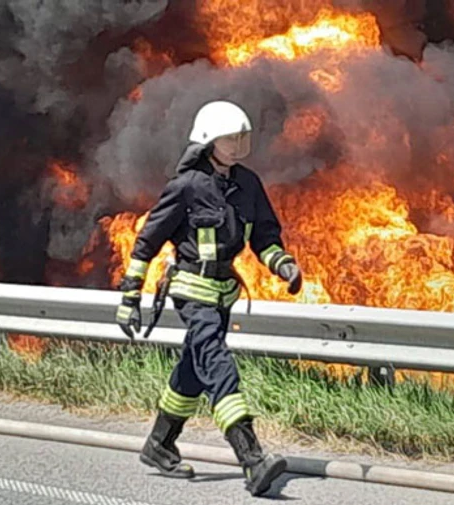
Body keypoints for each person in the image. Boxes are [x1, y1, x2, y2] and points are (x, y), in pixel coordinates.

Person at [114, 100, 302, 497]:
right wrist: (129, 296)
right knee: (217, 363)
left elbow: (264, 237)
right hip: (190, 290)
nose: (237, 144)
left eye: (241, 137)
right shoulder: (186, 187)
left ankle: (160, 443)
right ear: (208, 141)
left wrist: (283, 265)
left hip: (223, 293)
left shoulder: (248, 184)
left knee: (194, 368)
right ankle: (252, 460)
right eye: (230, 138)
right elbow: (146, 243)